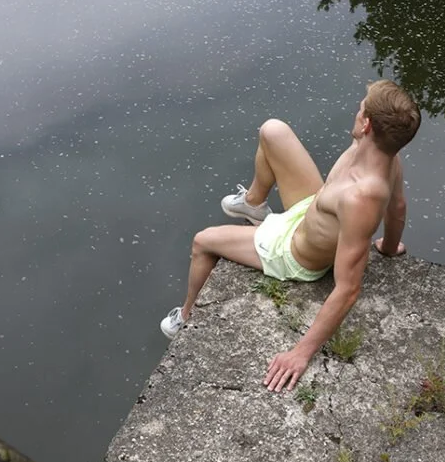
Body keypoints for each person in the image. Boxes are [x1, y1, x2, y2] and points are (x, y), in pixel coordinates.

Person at [159, 79, 421, 392]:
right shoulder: (383, 153)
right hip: (311, 210)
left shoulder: (361, 197)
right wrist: (390, 247)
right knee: (273, 131)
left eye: (360, 107)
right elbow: (399, 206)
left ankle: (185, 317)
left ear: (366, 124)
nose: (357, 109)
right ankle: (254, 204)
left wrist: (301, 352)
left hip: (293, 252)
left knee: (203, 241)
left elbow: (349, 288)